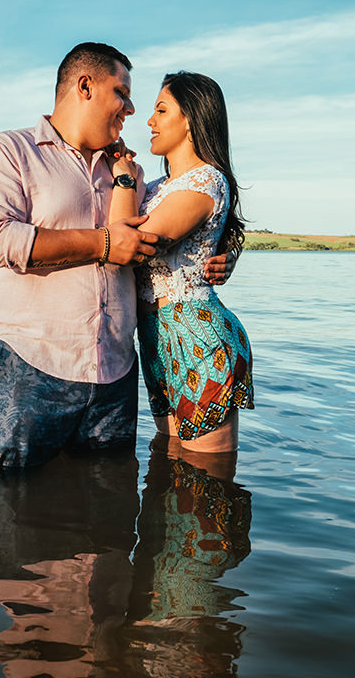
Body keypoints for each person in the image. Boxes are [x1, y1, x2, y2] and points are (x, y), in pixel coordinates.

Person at [0, 43, 235, 470]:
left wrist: (225, 254)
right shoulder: (11, 151)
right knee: (10, 499)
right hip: (33, 369)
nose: (131, 109)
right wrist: (103, 243)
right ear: (85, 86)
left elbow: (189, 224)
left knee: (112, 506)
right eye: (122, 93)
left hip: (116, 373)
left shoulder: (132, 173)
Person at [108, 71, 253, 453]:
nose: (150, 122)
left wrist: (123, 181)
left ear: (190, 117)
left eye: (160, 110)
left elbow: (134, 244)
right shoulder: (159, 189)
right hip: (155, 338)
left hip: (196, 336)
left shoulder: (206, 180)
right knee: (169, 464)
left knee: (208, 478)